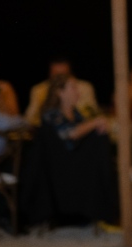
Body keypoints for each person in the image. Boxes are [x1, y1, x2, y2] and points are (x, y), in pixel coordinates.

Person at [22, 74, 117, 227]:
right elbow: (69, 133)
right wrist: (95, 123)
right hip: (60, 171)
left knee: (101, 143)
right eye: (73, 87)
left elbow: (82, 131)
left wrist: (97, 128)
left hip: (76, 165)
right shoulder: (51, 114)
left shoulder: (76, 113)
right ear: (60, 92)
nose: (77, 91)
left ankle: (104, 210)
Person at [25, 56, 99, 126]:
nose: (60, 79)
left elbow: (93, 112)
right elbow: (30, 118)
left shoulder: (84, 87)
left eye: (64, 75)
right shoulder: (40, 90)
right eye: (56, 75)